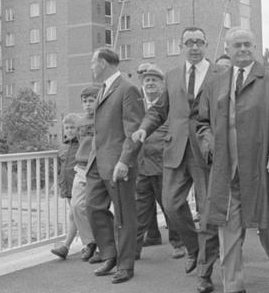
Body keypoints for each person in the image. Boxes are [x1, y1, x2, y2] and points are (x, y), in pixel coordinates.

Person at [197, 27, 269, 292]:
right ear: (228, 51)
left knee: (268, 228)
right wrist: (209, 144)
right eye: (237, 46)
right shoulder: (215, 83)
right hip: (226, 169)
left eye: (247, 45)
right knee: (228, 229)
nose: (243, 49)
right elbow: (201, 122)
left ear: (254, 48)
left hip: (262, 166)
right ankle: (233, 285)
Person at [132, 27, 223, 293]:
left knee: (208, 214)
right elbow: (160, 111)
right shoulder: (172, 76)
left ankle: (205, 273)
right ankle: (194, 248)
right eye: (188, 42)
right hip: (175, 150)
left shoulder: (221, 73)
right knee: (171, 205)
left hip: (207, 151)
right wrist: (144, 128)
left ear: (206, 45)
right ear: (181, 46)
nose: (194, 46)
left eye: (198, 42)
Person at [84, 47, 144, 284]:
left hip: (118, 163)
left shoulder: (128, 89)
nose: (91, 67)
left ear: (102, 63)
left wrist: (125, 161)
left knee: (124, 215)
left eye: (92, 62)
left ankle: (126, 265)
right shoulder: (103, 89)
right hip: (98, 162)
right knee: (92, 206)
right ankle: (110, 254)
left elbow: (134, 130)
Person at [134, 65, 185, 259]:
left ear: (163, 84)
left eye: (154, 80)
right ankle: (135, 248)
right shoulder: (138, 105)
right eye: (146, 80)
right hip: (142, 165)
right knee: (140, 208)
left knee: (170, 206)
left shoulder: (169, 105)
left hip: (164, 164)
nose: (150, 83)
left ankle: (178, 243)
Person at [69, 86, 101, 263]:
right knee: (76, 206)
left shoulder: (101, 119)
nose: (88, 104)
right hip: (81, 167)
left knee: (95, 207)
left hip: (96, 167)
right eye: (85, 101)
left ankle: (105, 241)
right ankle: (89, 242)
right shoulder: (80, 122)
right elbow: (77, 143)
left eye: (91, 100)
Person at [51, 113, 85, 260]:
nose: (70, 130)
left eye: (73, 127)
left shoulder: (82, 144)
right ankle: (74, 245)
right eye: (67, 128)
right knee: (73, 214)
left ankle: (70, 245)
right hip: (68, 185)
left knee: (76, 214)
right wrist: (57, 183)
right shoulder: (63, 146)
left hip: (80, 183)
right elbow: (61, 166)